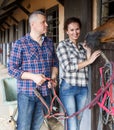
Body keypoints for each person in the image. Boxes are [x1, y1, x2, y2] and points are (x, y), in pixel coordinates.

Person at [8, 11, 58, 130]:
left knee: (37, 126)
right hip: (27, 94)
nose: (46, 24)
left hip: (45, 94)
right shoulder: (20, 44)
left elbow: (55, 63)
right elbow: (11, 69)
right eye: (43, 22)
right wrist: (33, 76)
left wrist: (53, 78)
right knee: (24, 127)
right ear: (33, 24)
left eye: (46, 22)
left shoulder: (49, 43)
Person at [56, 17, 101, 130]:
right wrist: (89, 61)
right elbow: (68, 67)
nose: (75, 32)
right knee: (72, 121)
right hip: (68, 88)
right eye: (71, 30)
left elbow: (87, 64)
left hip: (82, 88)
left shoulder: (81, 46)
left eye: (77, 29)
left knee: (78, 118)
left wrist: (88, 51)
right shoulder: (63, 45)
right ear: (67, 31)